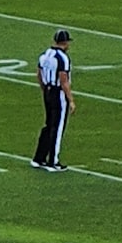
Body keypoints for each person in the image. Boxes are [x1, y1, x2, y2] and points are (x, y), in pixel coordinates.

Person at [31, 29, 75, 172]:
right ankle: (53, 161)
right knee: (57, 127)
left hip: (48, 91)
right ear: (65, 42)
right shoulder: (63, 58)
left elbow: (39, 74)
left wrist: (44, 89)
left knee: (49, 125)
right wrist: (71, 100)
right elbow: (64, 80)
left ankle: (39, 157)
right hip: (58, 93)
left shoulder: (45, 55)